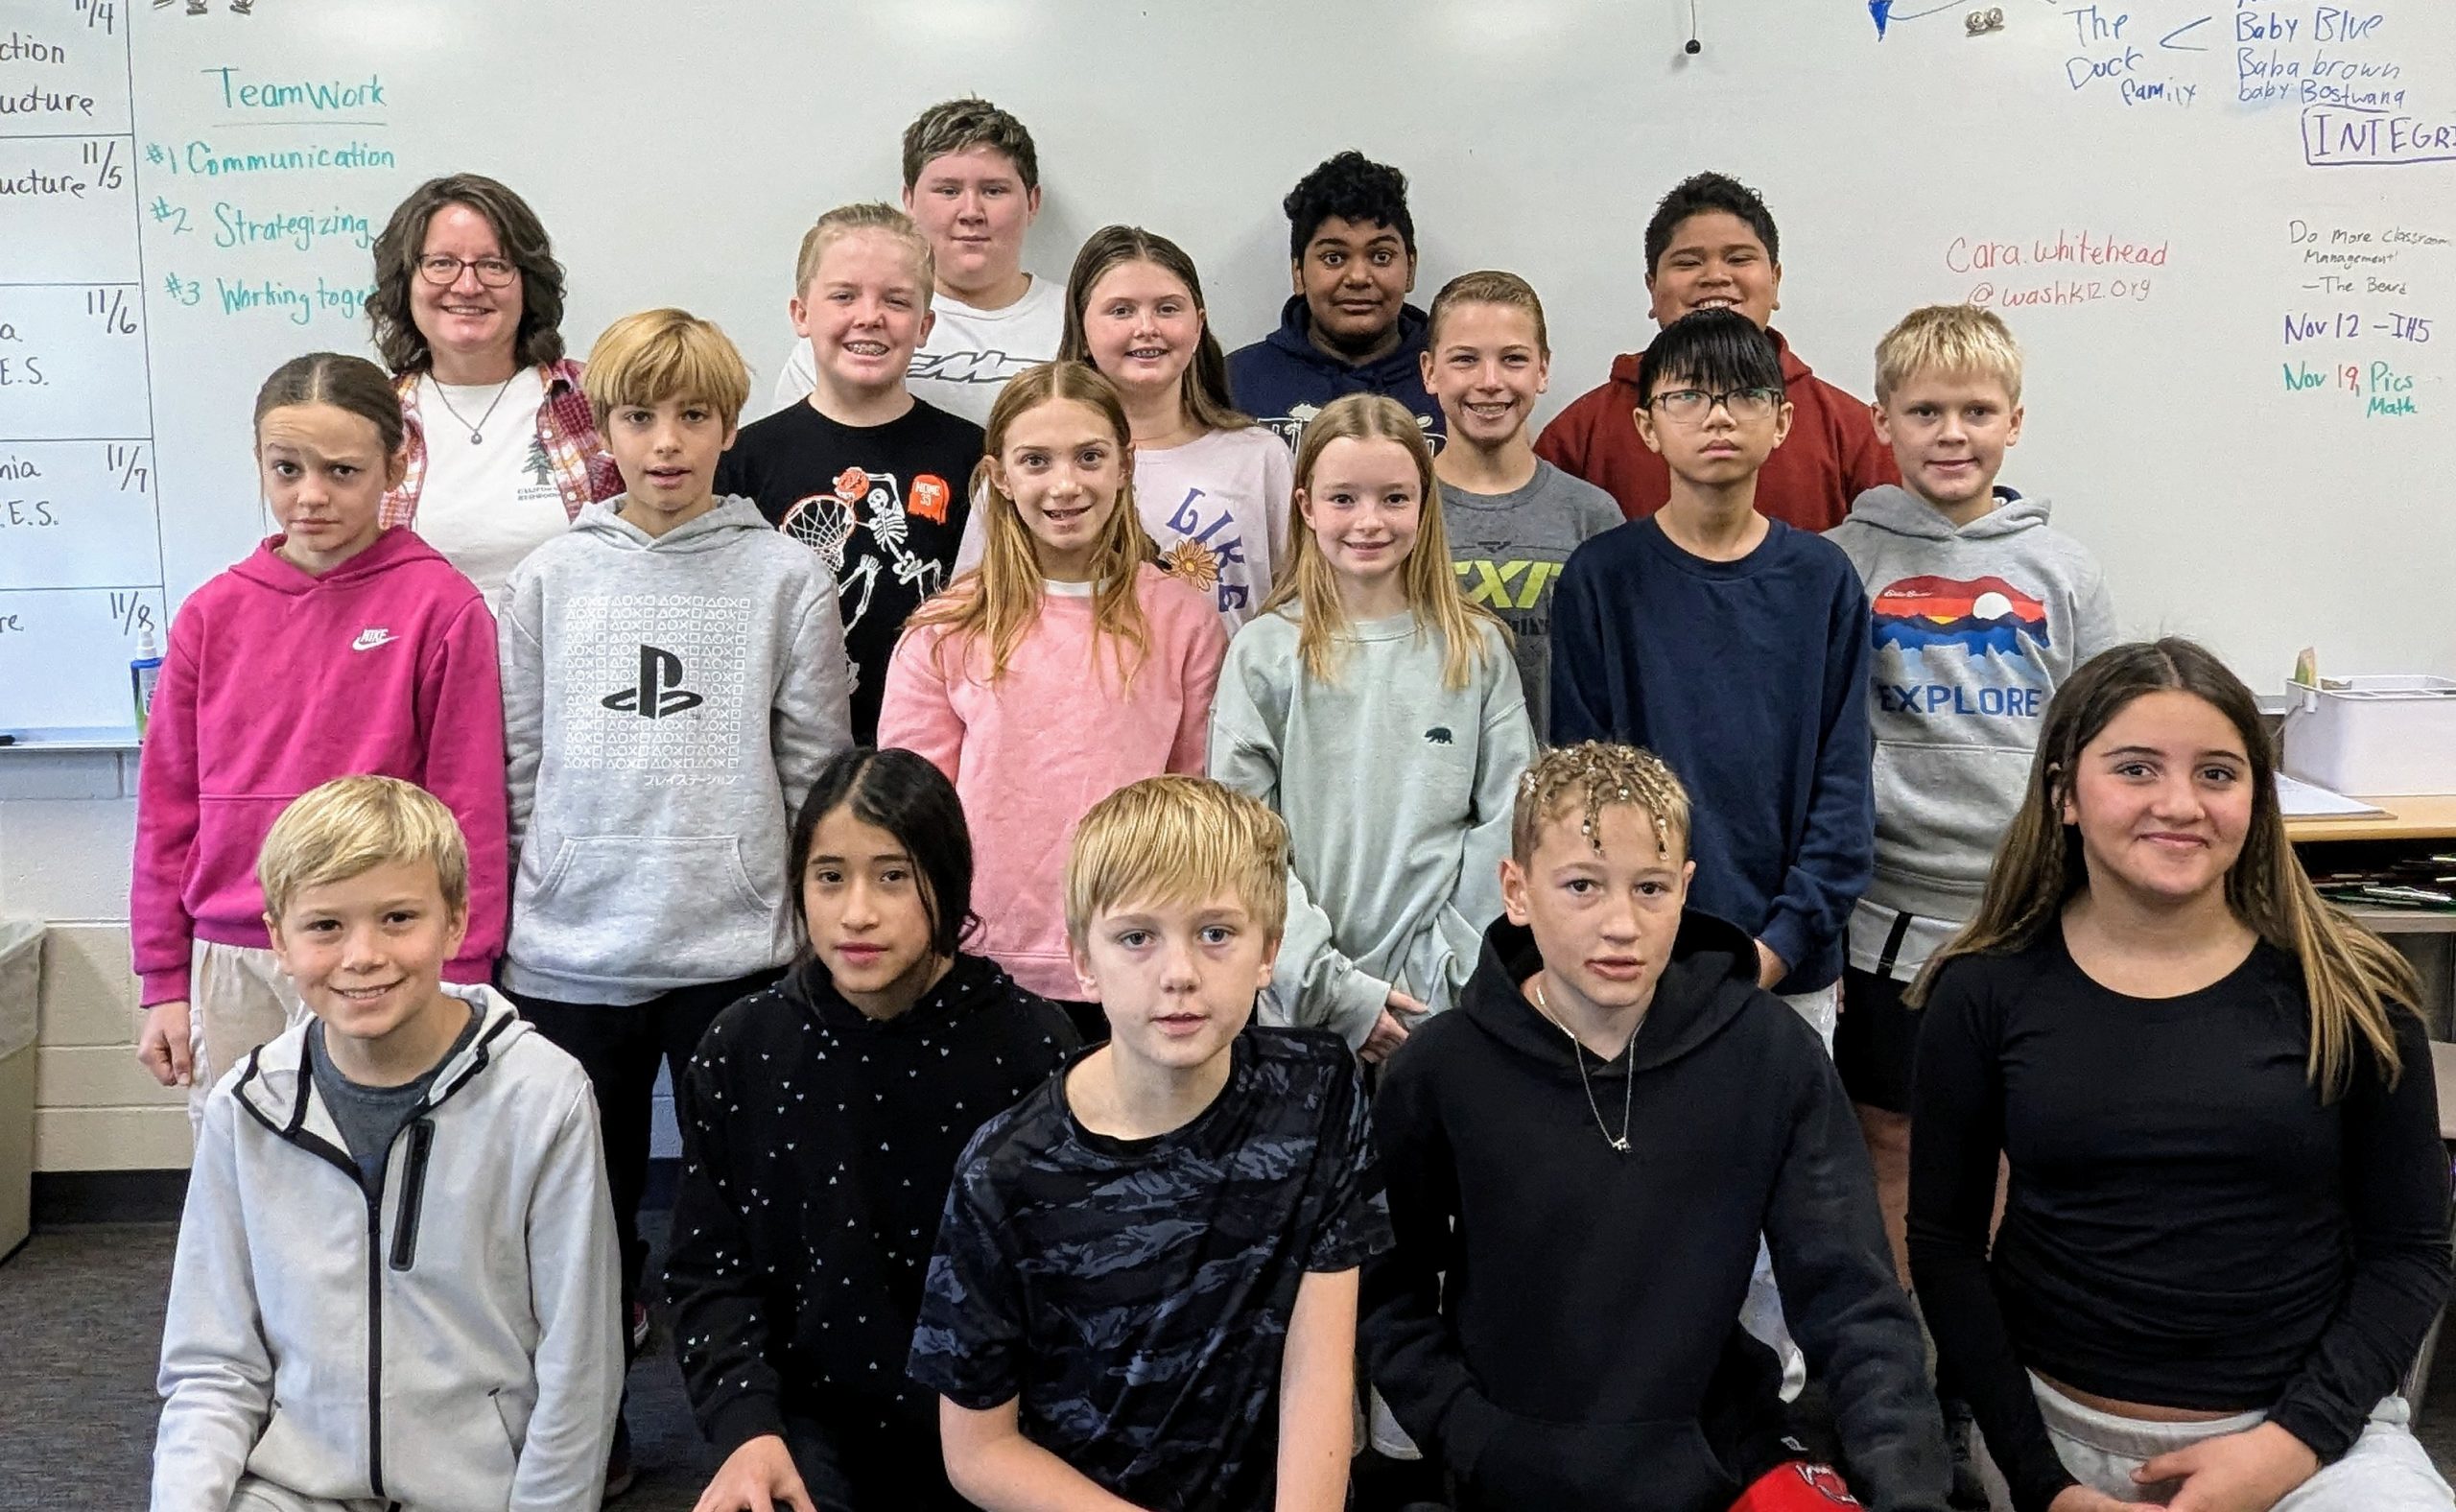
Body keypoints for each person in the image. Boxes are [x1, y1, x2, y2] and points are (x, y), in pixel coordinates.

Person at [1909, 639, 2456, 1512]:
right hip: (2059, 1445)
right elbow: (1945, 1251)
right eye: (2135, 769)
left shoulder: (2349, 990)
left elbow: (2412, 1255)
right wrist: (2043, 1483)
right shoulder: (1982, 990)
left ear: (2257, 797)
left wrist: (2286, 1449)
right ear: (2064, 795)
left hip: (2312, 1437)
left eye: (2217, 774)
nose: (2179, 805)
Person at [1363, 742, 1951, 1512]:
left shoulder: (1768, 1053)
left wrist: (1908, 1490)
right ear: (1515, 890)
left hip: (1717, 1460)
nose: (1621, 924)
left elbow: (1853, 1298)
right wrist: (1472, 1433)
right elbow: (1385, 1291)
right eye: (1582, 886)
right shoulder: (1437, 1070)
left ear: (1687, 890)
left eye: (1650, 888)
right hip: (1509, 1470)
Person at [496, 307, 853, 1484]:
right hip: (570, 953)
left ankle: (754, 1447)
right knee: (575, 1223)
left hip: (736, 953)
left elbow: (815, 772)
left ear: (726, 427)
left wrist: (805, 930)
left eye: (691, 416)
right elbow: (517, 761)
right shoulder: (550, 578)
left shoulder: (784, 576)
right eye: (639, 416)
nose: (664, 443)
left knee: (741, 1215)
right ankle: (580, 1440)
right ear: (603, 427)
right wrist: (519, 905)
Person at [909, 774, 1389, 1512]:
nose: (1179, 975)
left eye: (1216, 933)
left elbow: (1317, 1367)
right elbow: (978, 1450)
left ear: (1270, 951)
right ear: (1082, 961)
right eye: (1137, 937)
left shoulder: (1318, 1092)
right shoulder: (1005, 1173)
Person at [151, 775, 621, 1512]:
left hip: (479, 1494)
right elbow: (212, 1365)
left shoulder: (543, 1097)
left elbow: (579, 1363)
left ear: (456, 922)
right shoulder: (246, 1107)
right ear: (278, 938)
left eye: (399, 918)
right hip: (289, 1490)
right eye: (325, 926)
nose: (363, 955)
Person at [665, 747, 1077, 1512]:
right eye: (830, 877)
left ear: (947, 884)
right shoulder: (742, 1047)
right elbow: (709, 1271)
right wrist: (749, 1429)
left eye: (892, 876)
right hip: (806, 1425)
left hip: (1002, 1428)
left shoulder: (1033, 1048)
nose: (857, 911)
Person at [1824, 304, 2116, 1304]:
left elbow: (2102, 738)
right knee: (1891, 1133)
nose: (1951, 432)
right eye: (1926, 411)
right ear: (1882, 420)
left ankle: (1979, 1362)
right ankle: (1906, 1358)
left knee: (2006, 1142)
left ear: (2014, 423)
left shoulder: (2063, 570)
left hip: (2023, 912)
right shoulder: (1841, 561)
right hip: (1883, 918)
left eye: (1976, 411)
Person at [131, 353, 508, 1132]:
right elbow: (167, 808)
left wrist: (464, 970)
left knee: (393, 1162)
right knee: (246, 1169)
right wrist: (164, 980)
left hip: (383, 954)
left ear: (394, 465)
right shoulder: (212, 614)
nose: (311, 496)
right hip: (234, 949)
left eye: (341, 471)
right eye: (286, 469)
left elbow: (470, 806)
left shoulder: (442, 607)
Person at [877, 362, 1226, 1035]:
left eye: (1089, 457)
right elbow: (911, 818)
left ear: (1124, 466)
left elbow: (1198, 801)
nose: (1064, 485)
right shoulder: (946, 628)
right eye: (1036, 461)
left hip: (1139, 958)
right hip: (981, 959)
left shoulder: (1184, 621)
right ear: (1001, 476)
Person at [1550, 308, 1872, 1035]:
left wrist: (1780, 948)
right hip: (1634, 962)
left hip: (1788, 969)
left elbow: (1844, 788)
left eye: (1744, 396)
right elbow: (1581, 789)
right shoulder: (1601, 579)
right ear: (1646, 426)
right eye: (1687, 396)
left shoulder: (1824, 580)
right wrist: (1635, 935)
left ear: (1783, 421)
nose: (1718, 416)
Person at [1211, 391, 1531, 1063]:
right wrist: (1331, 989)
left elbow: (1508, 824)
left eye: (1393, 498)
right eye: (1343, 499)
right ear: (1306, 507)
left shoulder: (1474, 649)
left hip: (1444, 1007)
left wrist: (1444, 977)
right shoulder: (1265, 652)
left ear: (1424, 504)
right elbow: (1243, 845)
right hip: (1298, 1008)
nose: (1368, 522)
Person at [720, 203, 982, 743]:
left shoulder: (972, 455)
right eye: (843, 296)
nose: (870, 316)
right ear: (801, 313)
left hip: (933, 749)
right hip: (785, 749)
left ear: (925, 324)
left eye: (896, 300)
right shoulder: (743, 461)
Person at [1535, 171, 1895, 531]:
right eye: (1688, 262)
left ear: (1775, 280)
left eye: (1738, 259)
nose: (1715, 276)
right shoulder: (1580, 434)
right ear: (1651, 287)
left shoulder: (1851, 431)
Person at [367, 173, 619, 603]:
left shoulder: (597, 398)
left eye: (494, 265)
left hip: (572, 666)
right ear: (405, 281)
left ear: (528, 284)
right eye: (442, 263)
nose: (468, 286)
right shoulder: (371, 420)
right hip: (424, 671)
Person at [1052, 224, 1296, 628]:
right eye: (1121, 310)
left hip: (1230, 691)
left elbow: (1304, 604)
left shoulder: (1260, 457)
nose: (1146, 327)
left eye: (1167, 308)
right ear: (1082, 326)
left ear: (1198, 325)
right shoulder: (1036, 462)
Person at [1423, 271, 1621, 742]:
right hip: (1432, 788)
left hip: (1564, 795)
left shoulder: (1591, 515)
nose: (1490, 382)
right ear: (1430, 371)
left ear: (1543, 370)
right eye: (1465, 360)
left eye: (1513, 359)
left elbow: (1619, 674)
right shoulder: (1398, 513)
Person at [774, 97, 1060, 425]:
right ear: (909, 201)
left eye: (994, 191)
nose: (970, 212)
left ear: (1033, 202)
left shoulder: (1081, 322)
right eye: (948, 191)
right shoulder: (842, 334)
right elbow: (792, 453)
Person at [1227, 151, 1444, 450]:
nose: (1358, 277)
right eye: (1334, 257)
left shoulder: (1453, 381)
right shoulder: (1234, 384)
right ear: (1298, 273)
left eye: (1381, 256)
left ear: (1410, 269)